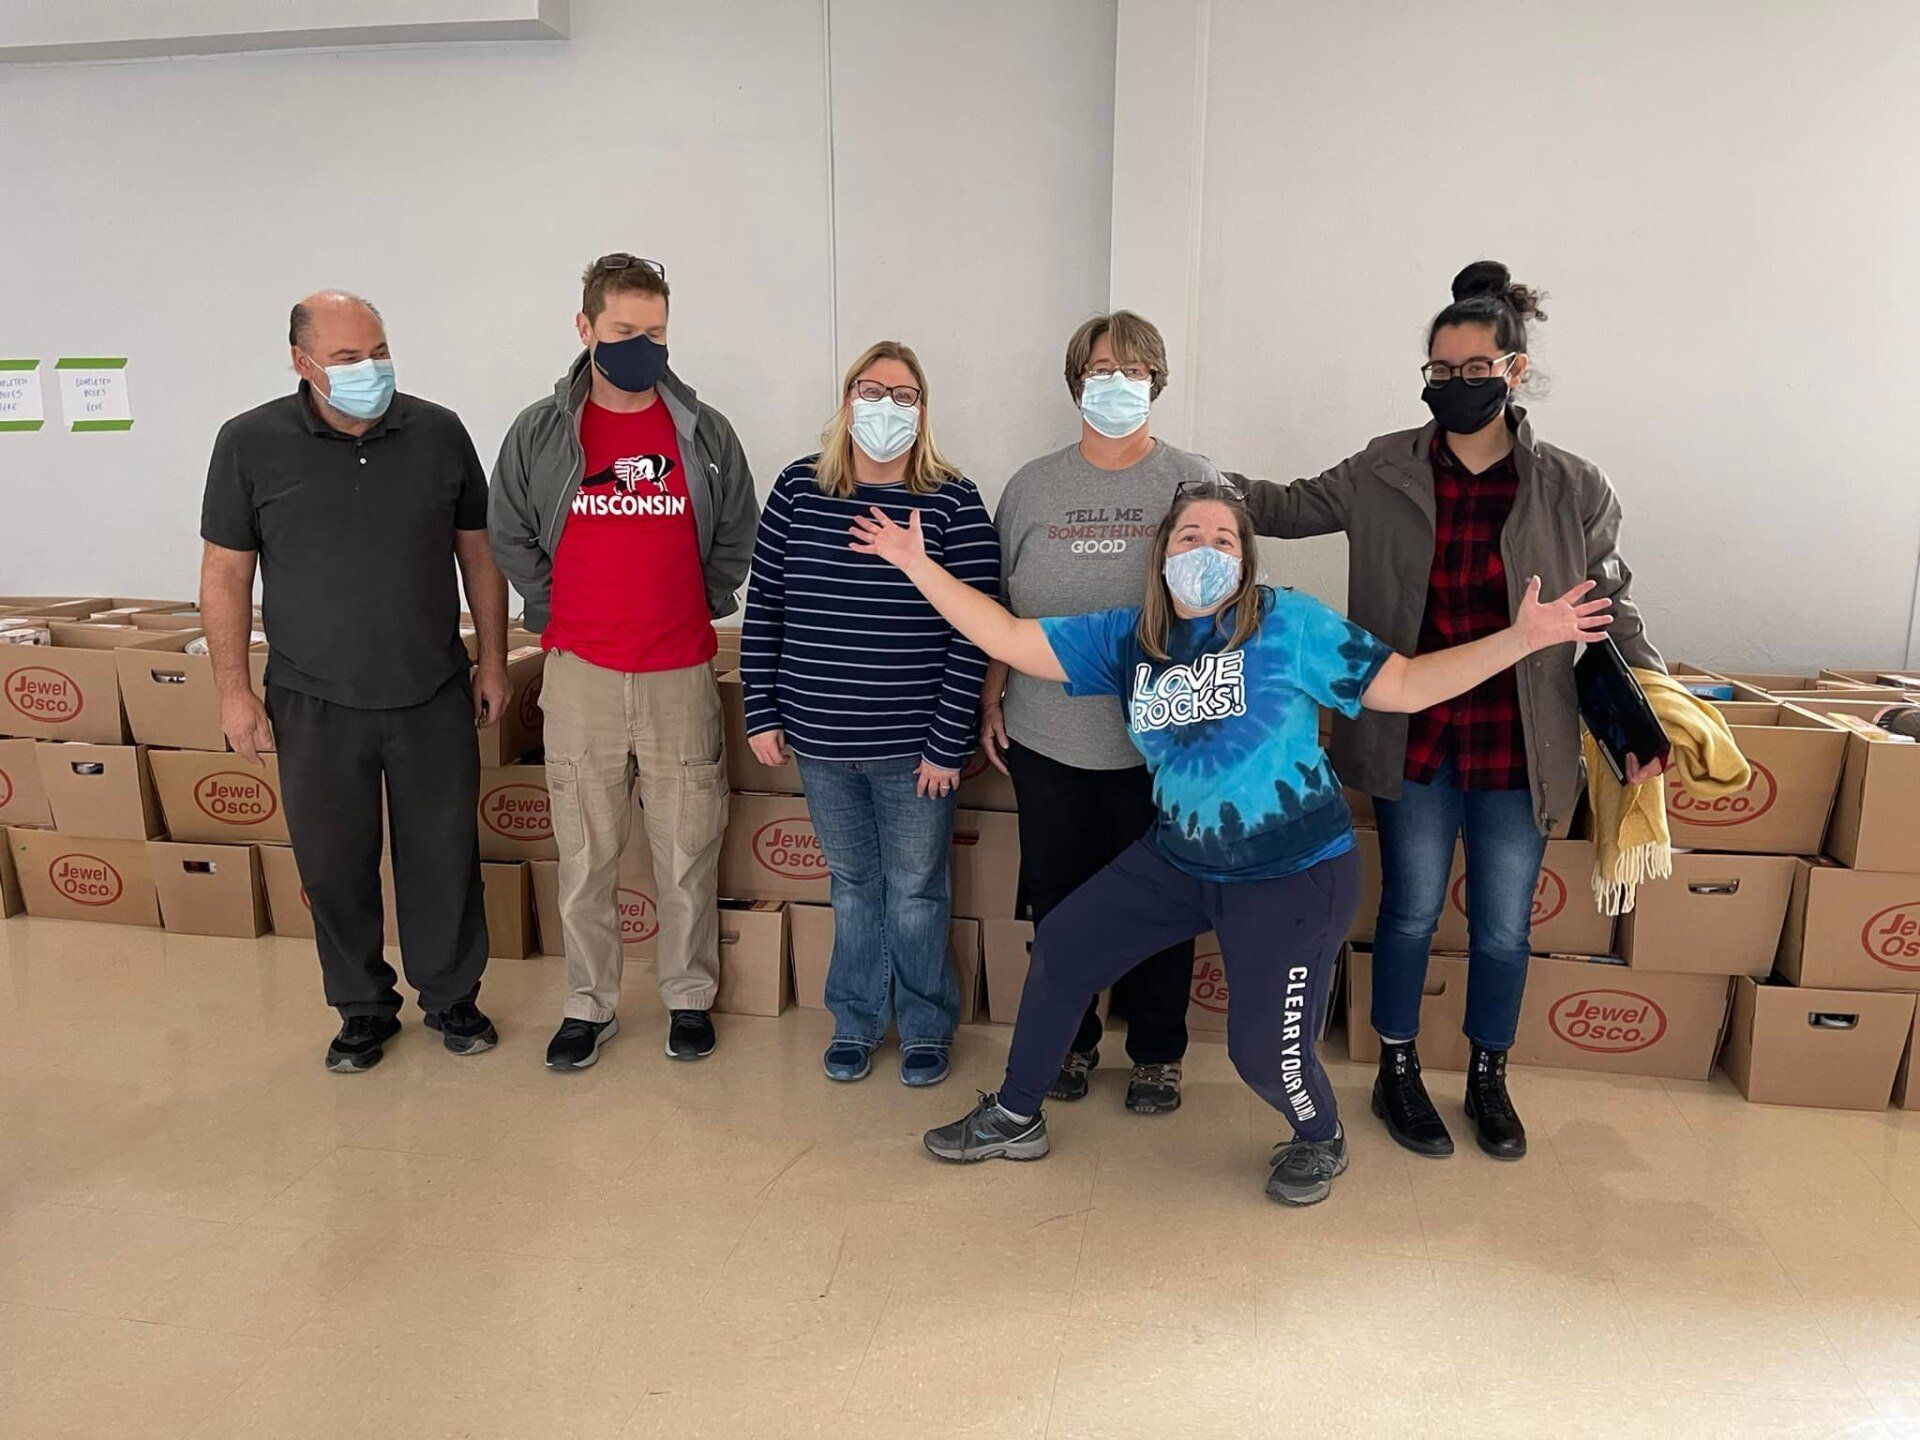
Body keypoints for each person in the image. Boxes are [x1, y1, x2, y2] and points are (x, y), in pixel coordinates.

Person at [851, 481, 1611, 1204]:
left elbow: (1406, 685)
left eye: (1223, 537)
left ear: (1246, 558)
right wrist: (917, 564)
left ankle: (1320, 1132)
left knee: (1263, 1057)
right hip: (1180, 856)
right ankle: (1016, 1115)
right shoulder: (1130, 636)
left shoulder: (1289, 623)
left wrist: (1521, 638)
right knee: (1065, 944)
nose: (1206, 547)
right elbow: (1012, 640)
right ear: (1162, 554)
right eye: (1190, 535)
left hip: (1292, 874)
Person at [1235, 261, 1665, 1161]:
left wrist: (1647, 715)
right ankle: (1397, 1068)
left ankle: (1488, 1078)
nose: (1456, 386)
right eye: (1441, 371)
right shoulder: (1384, 466)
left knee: (1507, 921)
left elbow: (1612, 608)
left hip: (1523, 737)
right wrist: (1197, 482)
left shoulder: (1572, 487)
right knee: (1411, 910)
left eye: (1476, 370)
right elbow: (1287, 506)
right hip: (1413, 730)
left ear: (1512, 371)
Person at [200, 291, 508, 1074]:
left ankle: (451, 995)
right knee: (333, 863)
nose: (370, 368)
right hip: (313, 698)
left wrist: (494, 661)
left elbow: (479, 555)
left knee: (442, 854)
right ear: (303, 364)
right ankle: (363, 1008)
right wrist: (234, 692)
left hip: (431, 687)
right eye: (346, 358)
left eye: (378, 350)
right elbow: (226, 574)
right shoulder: (249, 442)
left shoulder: (439, 432)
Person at [489, 254, 759, 1070]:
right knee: (586, 857)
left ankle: (686, 997)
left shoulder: (703, 432)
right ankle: (589, 1004)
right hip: (581, 676)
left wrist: (692, 603)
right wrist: (556, 610)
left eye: (655, 334)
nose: (641, 348)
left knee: (687, 851)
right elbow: (510, 533)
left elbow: (735, 535)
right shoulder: (541, 432)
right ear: (585, 329)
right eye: (622, 332)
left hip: (680, 673)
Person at [740, 342, 1000, 1086]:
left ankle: (924, 1025)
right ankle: (855, 1018)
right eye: (871, 388)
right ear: (846, 399)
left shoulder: (953, 498)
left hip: (917, 747)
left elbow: (976, 627)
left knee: (917, 891)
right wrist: (761, 709)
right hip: (820, 743)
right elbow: (766, 611)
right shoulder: (797, 489)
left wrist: (948, 742)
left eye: (904, 394)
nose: (886, 405)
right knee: (852, 885)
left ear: (924, 411)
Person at [981, 311, 1220, 1116]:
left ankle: (1158, 1053)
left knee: (1167, 902)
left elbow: (1226, 604)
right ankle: (1073, 1043)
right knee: (1060, 902)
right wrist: (990, 696)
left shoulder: (1192, 481)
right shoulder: (1031, 488)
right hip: (1048, 737)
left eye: (1131, 370)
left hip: (1163, 749)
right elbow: (998, 606)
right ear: (1075, 382)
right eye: (1098, 370)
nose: (1115, 385)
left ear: (1157, 379)